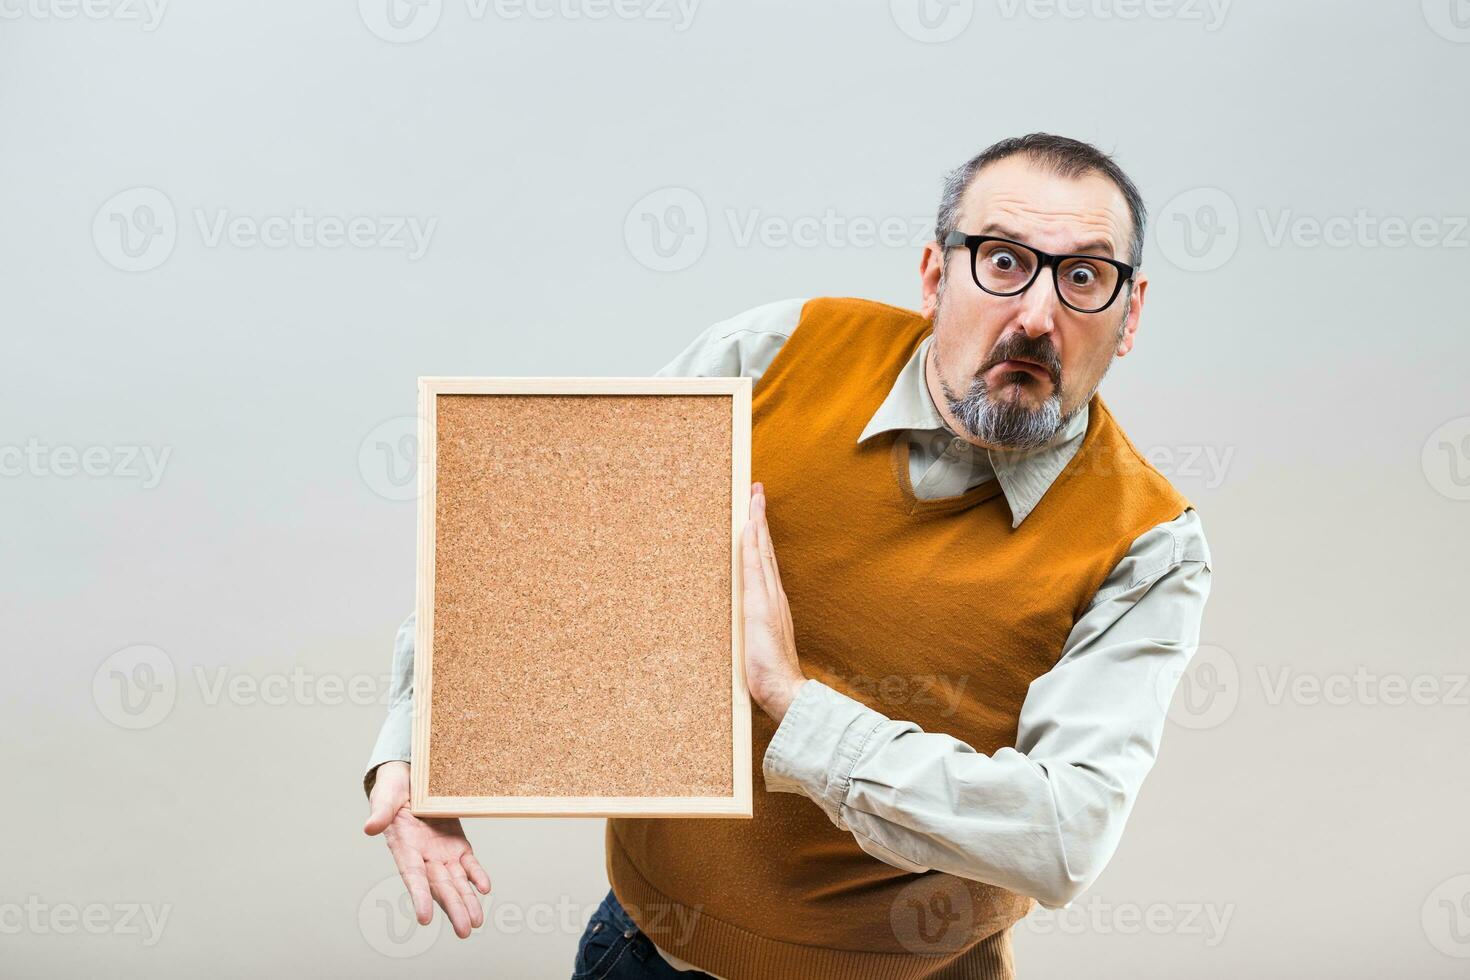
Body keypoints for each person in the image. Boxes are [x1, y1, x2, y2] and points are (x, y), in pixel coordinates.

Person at [361, 132, 1214, 980]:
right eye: (1001, 262)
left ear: (1129, 315)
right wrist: (423, 749)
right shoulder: (777, 353)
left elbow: (1065, 834)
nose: (1036, 316)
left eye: (1083, 278)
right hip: (640, 952)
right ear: (934, 276)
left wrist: (790, 699)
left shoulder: (1149, 544)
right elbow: (544, 551)